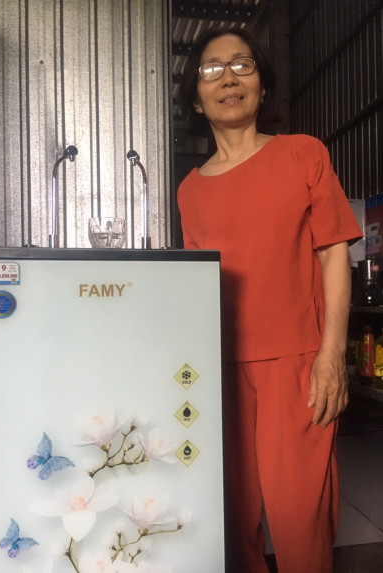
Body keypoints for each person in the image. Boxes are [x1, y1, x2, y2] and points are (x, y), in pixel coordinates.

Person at [177, 28, 363, 573]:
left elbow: (333, 254)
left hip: (298, 365)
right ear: (196, 98)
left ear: (261, 86)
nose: (228, 78)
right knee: (231, 521)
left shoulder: (302, 154)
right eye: (212, 69)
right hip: (220, 374)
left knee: (300, 518)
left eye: (243, 64)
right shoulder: (190, 189)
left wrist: (332, 355)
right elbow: (196, 293)